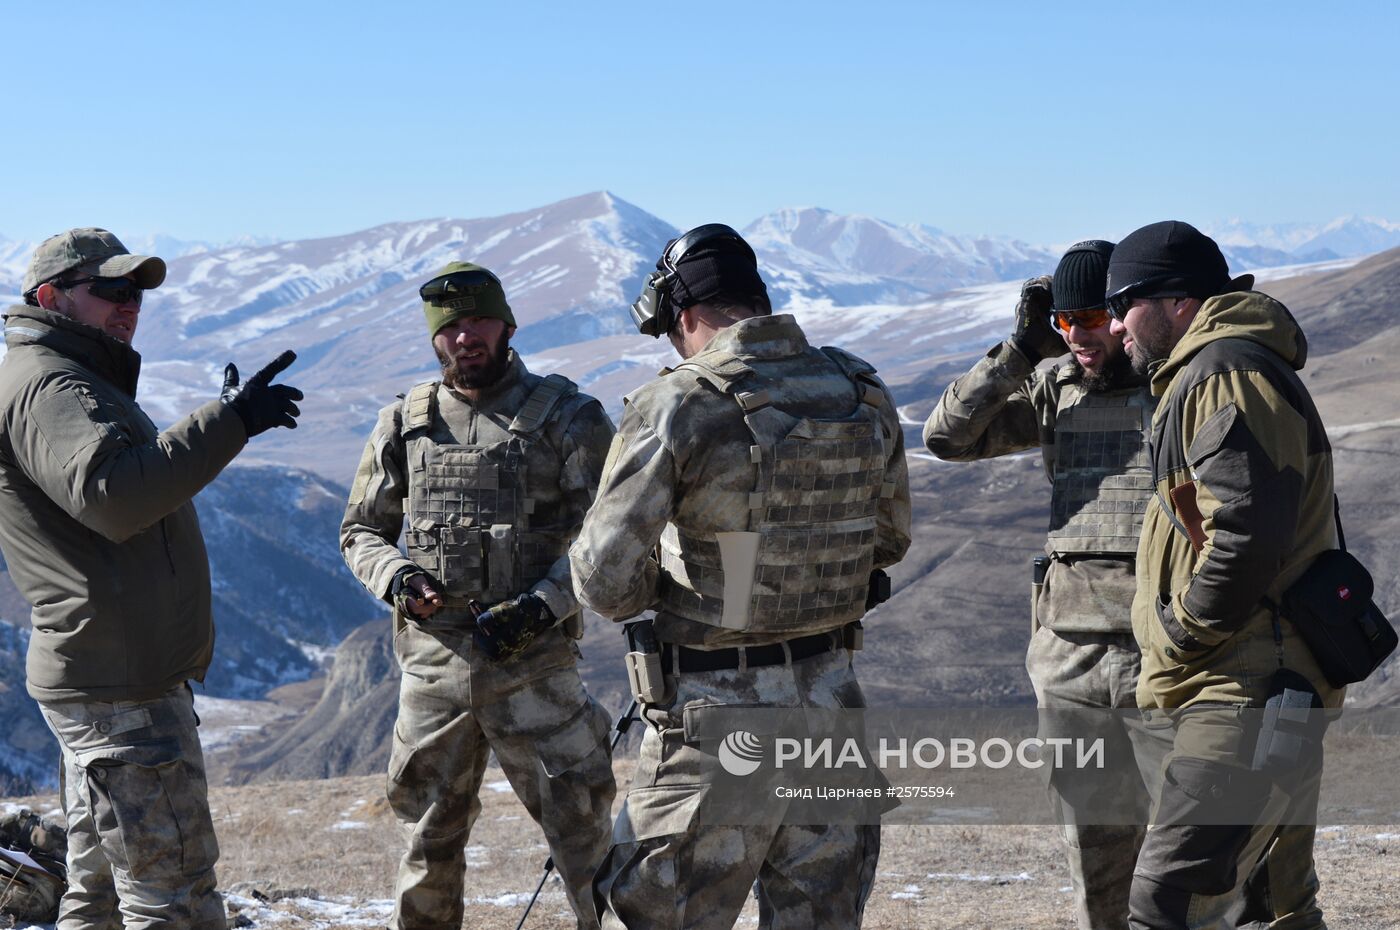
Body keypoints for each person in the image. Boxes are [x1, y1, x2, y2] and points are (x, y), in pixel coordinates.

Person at [571, 224, 912, 929]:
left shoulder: (677, 404)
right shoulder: (858, 385)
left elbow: (603, 581)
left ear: (686, 315)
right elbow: (889, 538)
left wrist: (681, 581)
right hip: (830, 708)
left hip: (712, 723)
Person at [0, 227, 303, 929]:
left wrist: (224, 424)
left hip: (105, 675)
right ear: (51, 297)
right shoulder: (52, 384)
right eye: (110, 289)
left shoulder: (65, 376)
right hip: (122, 691)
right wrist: (228, 422)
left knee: (99, 894)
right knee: (176, 899)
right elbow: (118, 496)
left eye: (136, 291)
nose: (128, 303)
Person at [339, 262, 617, 930]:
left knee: (585, 841)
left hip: (537, 668)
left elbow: (609, 536)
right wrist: (399, 579)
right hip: (435, 672)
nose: (466, 338)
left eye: (479, 321)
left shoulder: (570, 418)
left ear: (507, 325)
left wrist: (542, 606)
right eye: (451, 327)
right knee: (426, 844)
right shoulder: (404, 424)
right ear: (435, 339)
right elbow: (359, 532)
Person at [924, 240, 1172, 929]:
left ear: (1124, 313)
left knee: (1198, 853)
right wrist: (1019, 352)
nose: (1080, 337)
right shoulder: (1054, 387)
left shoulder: (1181, 382)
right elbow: (947, 437)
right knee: (1095, 855)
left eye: (1092, 317)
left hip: (1168, 654)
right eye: (1066, 323)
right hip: (1071, 660)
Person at [1105, 220, 1339, 929]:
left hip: (1242, 686)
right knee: (1270, 908)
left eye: (1123, 307)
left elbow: (1247, 533)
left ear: (1178, 303)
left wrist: (1181, 630)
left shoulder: (1224, 371)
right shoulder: (1214, 368)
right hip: (1253, 679)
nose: (1115, 328)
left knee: (1167, 903)